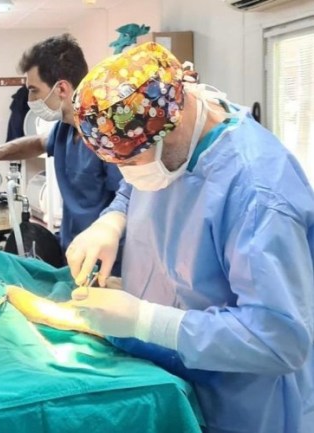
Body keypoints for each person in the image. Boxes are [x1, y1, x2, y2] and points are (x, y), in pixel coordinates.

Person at [68, 41, 314, 433]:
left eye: (130, 162)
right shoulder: (171, 136)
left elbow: (279, 339)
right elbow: (141, 181)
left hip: (244, 408)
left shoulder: (258, 194)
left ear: (171, 127)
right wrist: (112, 219)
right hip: (176, 378)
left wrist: (147, 321)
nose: (127, 174)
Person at [0, 33, 123, 256]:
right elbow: (39, 143)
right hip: (72, 251)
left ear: (61, 89)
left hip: (106, 258)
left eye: (33, 90)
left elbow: (127, 201)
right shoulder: (64, 129)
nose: (29, 100)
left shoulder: (107, 136)